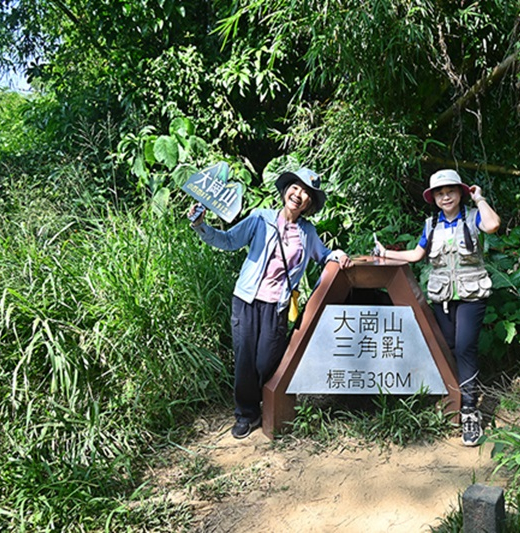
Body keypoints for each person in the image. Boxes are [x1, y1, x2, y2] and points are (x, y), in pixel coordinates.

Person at [189, 167, 352, 439]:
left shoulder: (307, 232)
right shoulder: (260, 219)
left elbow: (322, 256)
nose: (299, 195)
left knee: (266, 360)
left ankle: (268, 402)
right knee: (244, 360)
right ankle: (246, 414)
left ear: (310, 203)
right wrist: (200, 226)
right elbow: (229, 241)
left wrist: (337, 254)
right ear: (286, 189)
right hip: (247, 299)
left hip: (277, 305)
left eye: (306, 194)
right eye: (296, 188)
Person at [373, 169, 500, 446]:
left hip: (471, 296)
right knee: (450, 347)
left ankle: (469, 411)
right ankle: (455, 397)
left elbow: (492, 226)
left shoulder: (472, 216)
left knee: (465, 347)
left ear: (460, 192)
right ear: (434, 198)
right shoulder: (431, 225)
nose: (446, 197)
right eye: (440, 193)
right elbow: (417, 255)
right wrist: (386, 254)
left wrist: (479, 199)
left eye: (450, 191)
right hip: (442, 298)